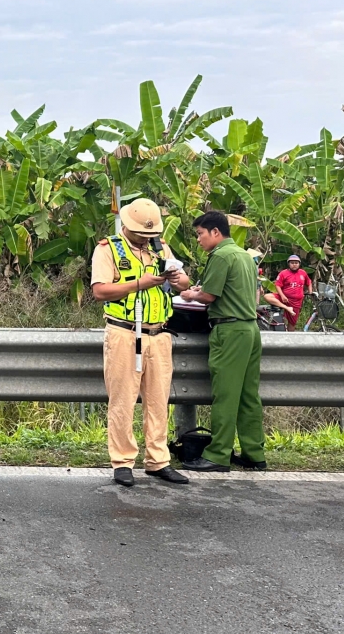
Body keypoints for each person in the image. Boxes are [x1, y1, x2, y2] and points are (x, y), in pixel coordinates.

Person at [90, 197, 192, 487]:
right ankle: (122, 461)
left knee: (159, 400)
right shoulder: (107, 249)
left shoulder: (162, 247)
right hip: (124, 333)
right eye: (142, 234)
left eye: (152, 234)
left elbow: (183, 284)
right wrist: (140, 284)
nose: (148, 239)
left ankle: (158, 461)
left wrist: (176, 276)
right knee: (122, 399)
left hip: (159, 334)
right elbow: (100, 291)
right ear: (126, 226)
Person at [179, 211, 267, 472]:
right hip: (250, 329)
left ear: (215, 232)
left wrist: (189, 294)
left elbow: (209, 296)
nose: (199, 240)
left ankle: (218, 454)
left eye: (200, 234)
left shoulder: (219, 255)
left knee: (226, 395)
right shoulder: (243, 255)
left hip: (229, 331)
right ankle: (254, 453)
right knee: (248, 396)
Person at [274, 255, 314, 331]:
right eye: (292, 263)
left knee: (292, 323)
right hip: (284, 299)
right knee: (268, 297)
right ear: (289, 264)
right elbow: (277, 285)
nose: (294, 264)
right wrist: (282, 296)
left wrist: (310, 292)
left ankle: (290, 338)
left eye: (296, 263)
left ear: (299, 264)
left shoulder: (303, 273)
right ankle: (286, 308)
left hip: (296, 302)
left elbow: (309, 282)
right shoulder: (283, 273)